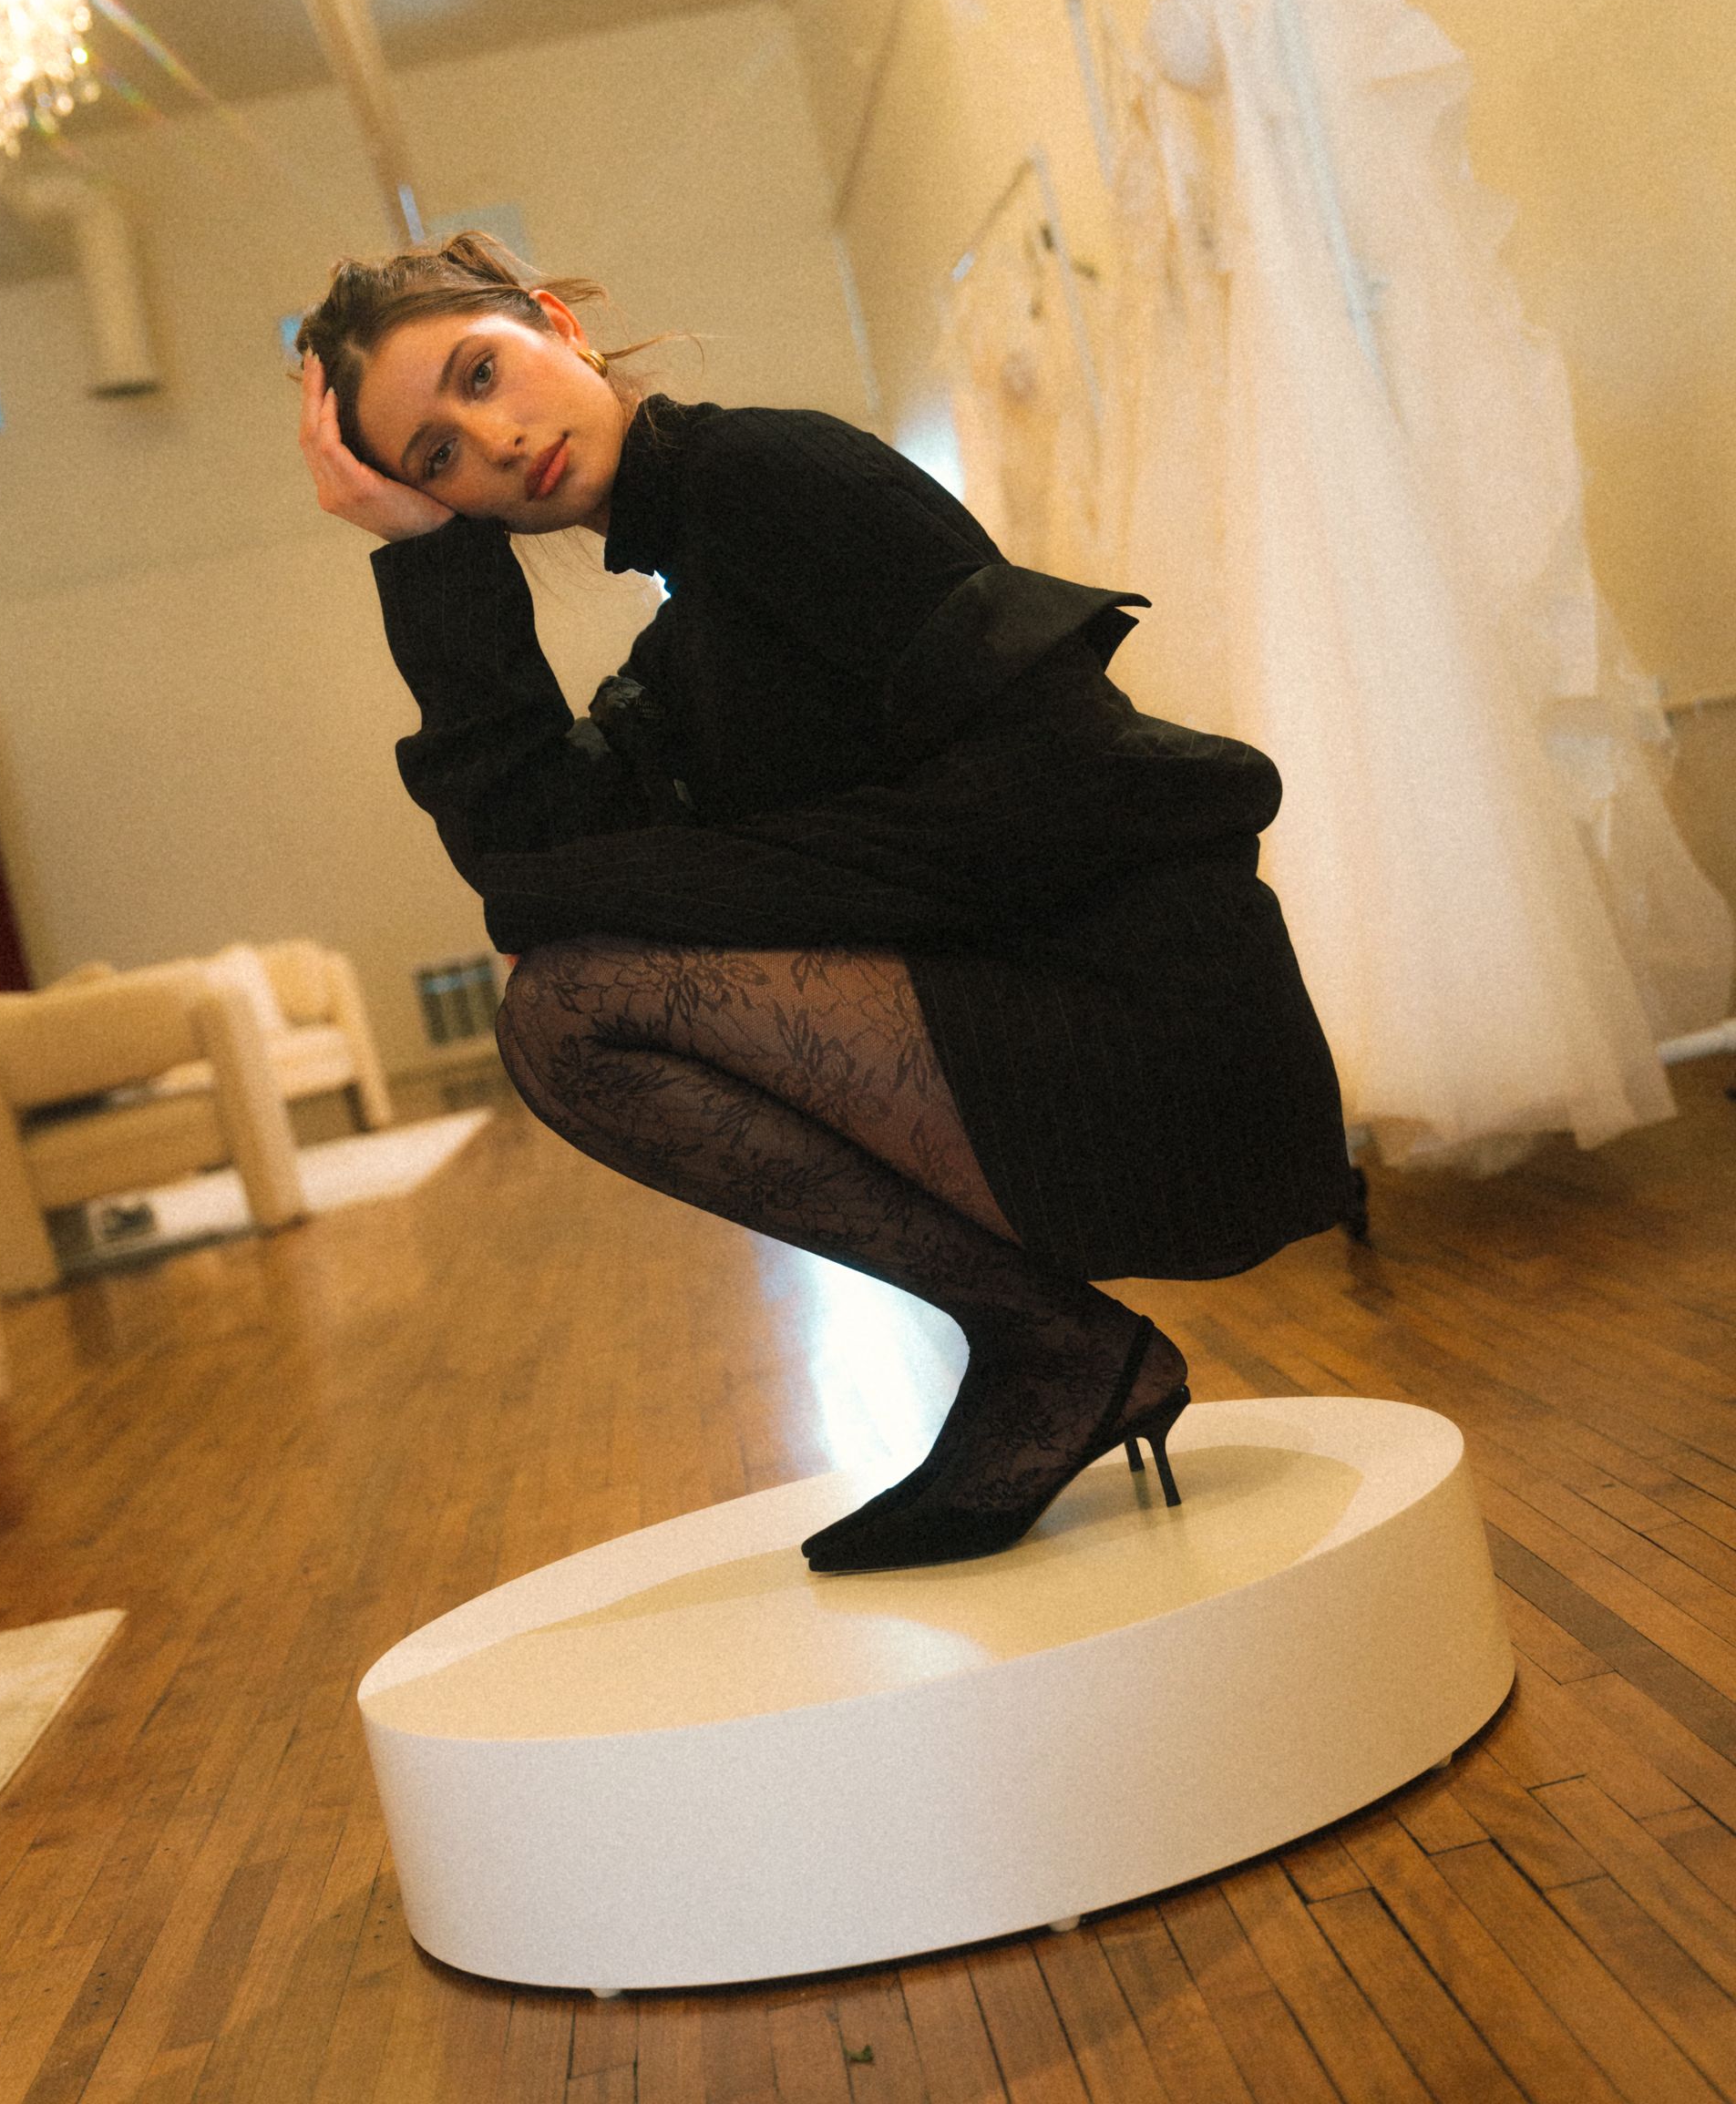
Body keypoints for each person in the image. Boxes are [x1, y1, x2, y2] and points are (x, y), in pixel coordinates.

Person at [293, 229, 1354, 1575]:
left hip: (1156, 1030)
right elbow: (526, 854)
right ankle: (1052, 1348)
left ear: (556, 322)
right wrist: (423, 562)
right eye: (437, 457)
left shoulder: (767, 476)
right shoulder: (693, 613)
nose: (493, 442)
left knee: (575, 1011)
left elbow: (1069, 791)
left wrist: (719, 894)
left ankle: (1052, 1347)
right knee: (560, 1004)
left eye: (484, 374)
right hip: (1066, 1022)